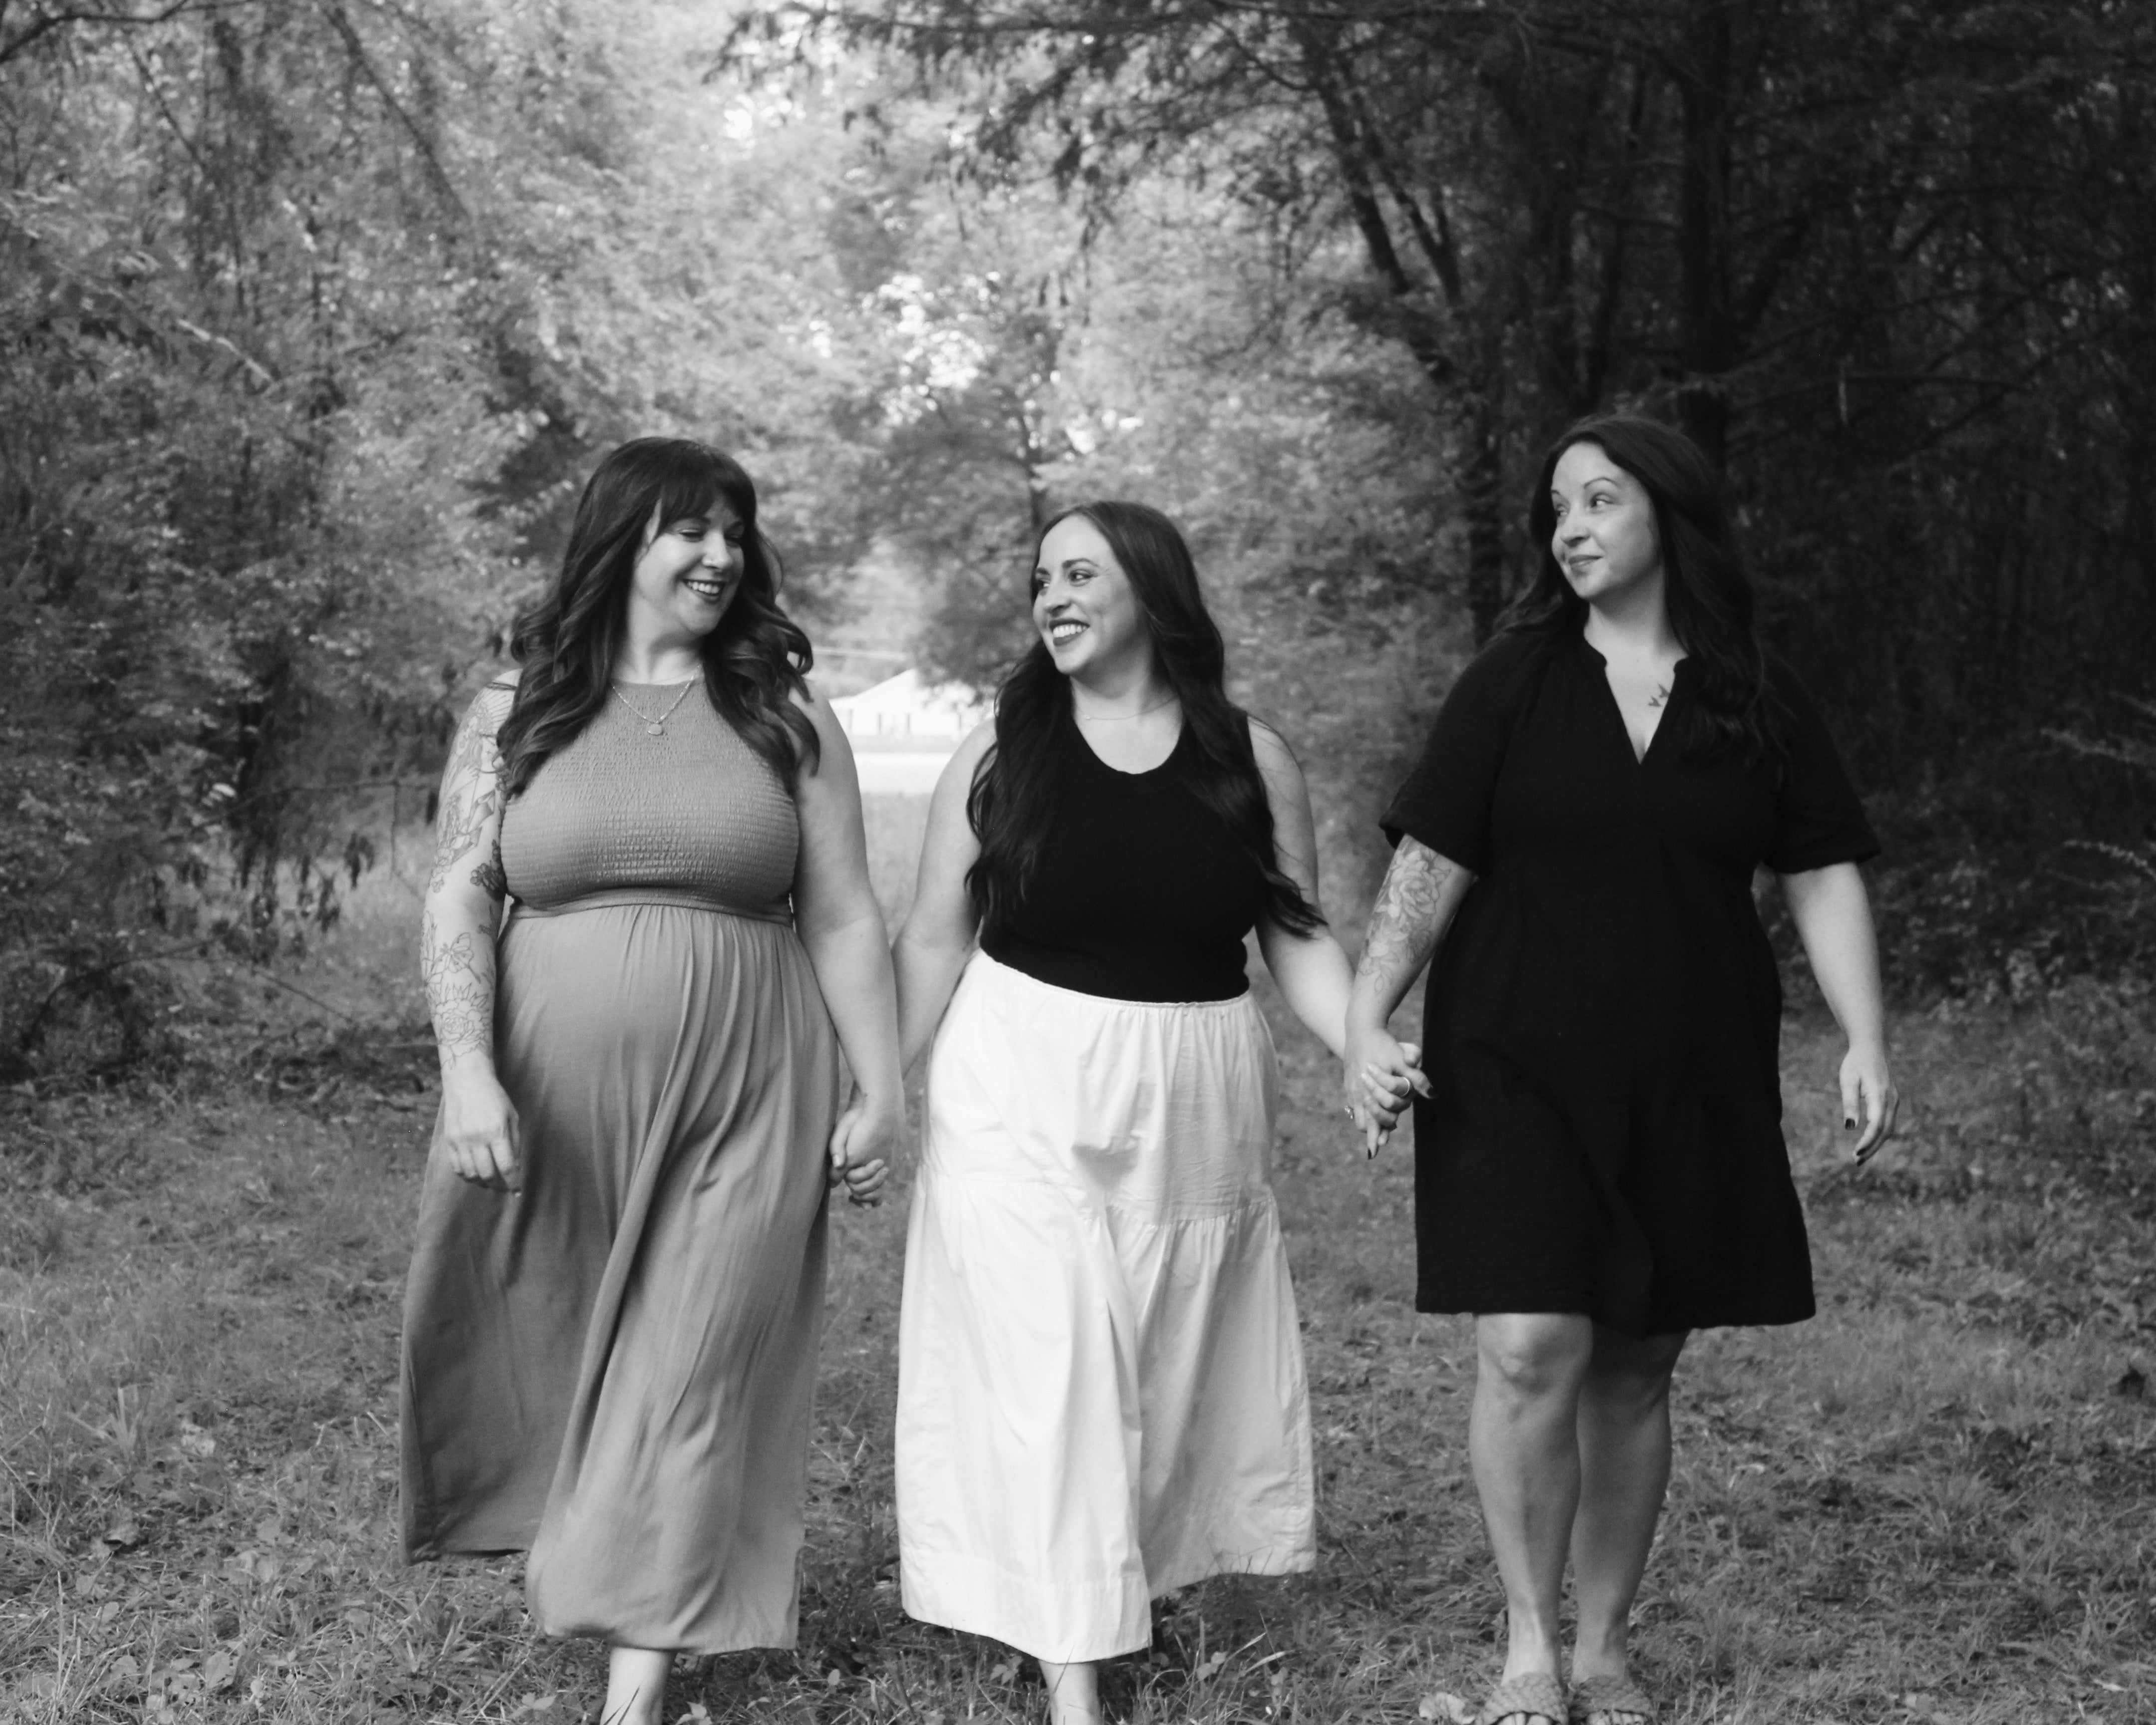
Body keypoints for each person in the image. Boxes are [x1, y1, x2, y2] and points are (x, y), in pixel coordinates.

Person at [1344, 414, 1897, 1725]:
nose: (1572, 527)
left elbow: (1820, 868)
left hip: (1693, 1068)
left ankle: (1603, 1645)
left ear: (1669, 510)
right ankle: (1529, 1648)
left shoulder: (1750, 688)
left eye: (1599, 500)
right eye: (1557, 509)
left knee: (1639, 1359)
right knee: (1533, 1342)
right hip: (1512, 1059)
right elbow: (1431, 863)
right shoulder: (1517, 679)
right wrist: (1369, 1017)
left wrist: (1867, 1033)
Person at [400, 438, 903, 1725]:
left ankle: (641, 1680)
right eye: (692, 529)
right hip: (549, 1092)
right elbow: (460, 895)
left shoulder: (785, 718)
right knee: (563, 1344)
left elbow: (844, 917)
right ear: (622, 540)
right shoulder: (518, 706)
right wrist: (468, 1073)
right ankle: (592, 1551)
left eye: (737, 532)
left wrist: (881, 1088)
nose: (722, 555)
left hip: (753, 1083)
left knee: (692, 1361)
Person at [888, 502, 1393, 1725]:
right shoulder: (1001, 749)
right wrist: (875, 1093)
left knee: (1162, 1358)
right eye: (1040, 581)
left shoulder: (1248, 755)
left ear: (1152, 592)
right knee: (1050, 1352)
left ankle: (1110, 1586)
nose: (1050, 598)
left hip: (1194, 1089)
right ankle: (1076, 1673)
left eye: (1078, 574)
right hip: (1017, 1074)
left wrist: (1362, 1041)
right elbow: (933, 937)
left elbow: (1296, 934)